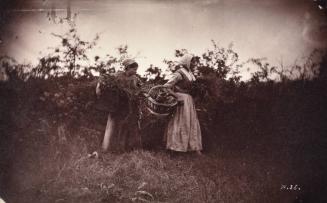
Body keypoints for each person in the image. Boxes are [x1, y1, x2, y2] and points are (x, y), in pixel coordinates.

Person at [98, 59, 142, 153]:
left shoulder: (135, 78)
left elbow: (140, 88)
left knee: (125, 126)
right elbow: (103, 78)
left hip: (129, 105)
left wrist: (138, 93)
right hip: (117, 104)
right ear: (128, 68)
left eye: (136, 69)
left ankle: (123, 148)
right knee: (114, 125)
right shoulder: (117, 75)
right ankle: (109, 148)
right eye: (134, 69)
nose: (135, 71)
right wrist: (98, 87)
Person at [163, 54, 202, 154]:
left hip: (189, 100)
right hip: (181, 99)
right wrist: (176, 96)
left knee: (190, 122)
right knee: (181, 122)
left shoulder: (190, 74)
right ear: (186, 62)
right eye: (192, 61)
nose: (194, 64)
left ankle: (191, 147)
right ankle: (175, 148)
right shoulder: (179, 73)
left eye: (194, 62)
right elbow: (166, 86)